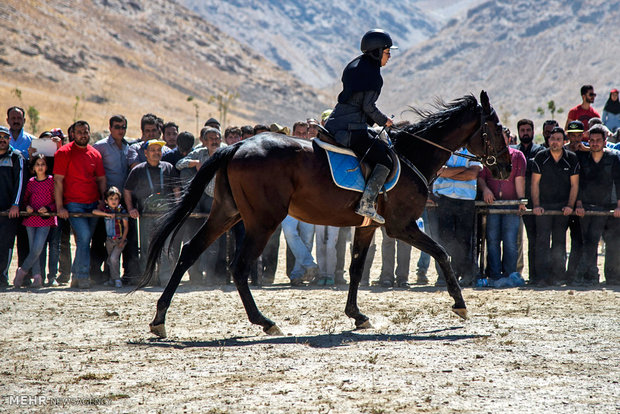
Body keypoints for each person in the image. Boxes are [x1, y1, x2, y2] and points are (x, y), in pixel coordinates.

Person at [324, 29, 397, 224]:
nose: (389, 57)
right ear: (377, 52)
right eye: (387, 52)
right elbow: (367, 106)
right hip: (350, 130)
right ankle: (366, 203)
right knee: (385, 160)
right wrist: (385, 121)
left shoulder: (355, 66)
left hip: (336, 123)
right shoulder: (373, 75)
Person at [54, 120, 106, 289]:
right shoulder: (63, 153)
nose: (83, 135)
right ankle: (82, 276)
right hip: (73, 203)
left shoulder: (95, 154)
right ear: (73, 134)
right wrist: (60, 206)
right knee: (83, 237)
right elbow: (58, 181)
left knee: (85, 240)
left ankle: (76, 277)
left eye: (86, 131)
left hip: (92, 203)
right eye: (79, 132)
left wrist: (102, 201)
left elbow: (101, 179)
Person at [124, 139, 180, 286]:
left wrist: (177, 208)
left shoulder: (168, 167)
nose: (156, 153)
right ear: (146, 153)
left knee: (166, 247)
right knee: (146, 248)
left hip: (166, 215)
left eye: (159, 150)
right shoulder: (138, 170)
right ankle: (147, 278)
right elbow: (127, 190)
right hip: (146, 215)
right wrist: (131, 208)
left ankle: (166, 279)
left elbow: (176, 190)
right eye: (153, 150)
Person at [531, 127, 579, 286]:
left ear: (564, 141)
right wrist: (536, 205)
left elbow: (575, 185)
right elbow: (535, 183)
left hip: (562, 208)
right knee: (542, 242)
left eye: (559, 139)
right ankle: (542, 278)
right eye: (553, 139)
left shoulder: (571, 158)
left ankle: (558, 276)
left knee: (559, 242)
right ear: (548, 140)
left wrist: (570, 206)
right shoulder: (540, 157)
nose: (555, 142)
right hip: (544, 207)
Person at [176, 128, 225, 285]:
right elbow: (179, 164)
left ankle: (211, 278)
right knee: (193, 238)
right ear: (204, 141)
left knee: (213, 240)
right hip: (201, 199)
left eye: (217, 138)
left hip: (218, 201)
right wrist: (195, 163)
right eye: (211, 138)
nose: (215, 141)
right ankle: (195, 277)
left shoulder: (225, 152)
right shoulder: (200, 153)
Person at [573, 125, 620, 285]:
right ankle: (591, 277)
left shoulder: (613, 158)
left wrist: (619, 206)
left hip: (609, 206)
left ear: (605, 141)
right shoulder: (583, 158)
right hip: (588, 207)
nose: (594, 144)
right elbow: (579, 182)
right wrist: (578, 203)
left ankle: (613, 277)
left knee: (613, 243)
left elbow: (618, 183)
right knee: (589, 243)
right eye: (591, 141)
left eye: (598, 140)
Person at [478, 133, 527, 282]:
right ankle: (494, 275)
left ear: (508, 139)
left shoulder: (517, 156)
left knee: (510, 241)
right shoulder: (487, 157)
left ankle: (510, 274)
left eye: (502, 138)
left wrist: (520, 200)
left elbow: (519, 179)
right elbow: (481, 177)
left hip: (510, 205)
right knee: (492, 241)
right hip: (492, 205)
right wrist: (486, 190)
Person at [432, 149, 482, 286]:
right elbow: (437, 171)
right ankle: (444, 275)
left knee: (464, 239)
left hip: (465, 201)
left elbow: (472, 174)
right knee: (444, 239)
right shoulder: (444, 149)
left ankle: (463, 274)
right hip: (444, 199)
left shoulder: (472, 151)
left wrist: (447, 172)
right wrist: (462, 169)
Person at [14, 155, 57, 288]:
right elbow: (25, 199)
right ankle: (37, 277)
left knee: (37, 248)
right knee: (34, 248)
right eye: (37, 164)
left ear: (47, 167)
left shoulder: (51, 181)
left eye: (42, 164)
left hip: (45, 219)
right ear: (33, 167)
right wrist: (27, 207)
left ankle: (22, 271)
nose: (40, 167)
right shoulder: (31, 182)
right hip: (30, 219)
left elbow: (56, 201)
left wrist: (49, 208)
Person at [511, 119, 544, 284]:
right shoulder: (512, 152)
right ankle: (514, 274)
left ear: (532, 131)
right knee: (513, 240)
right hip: (514, 201)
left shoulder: (540, 151)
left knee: (534, 239)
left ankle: (535, 275)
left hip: (533, 201)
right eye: (522, 130)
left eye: (528, 130)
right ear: (518, 132)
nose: (525, 133)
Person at [0, 125, 26, 287]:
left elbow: (20, 183)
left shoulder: (16, 157)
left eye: (4, 137)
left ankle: (2, 276)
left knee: (6, 243)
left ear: (9, 139)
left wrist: (15, 204)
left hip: (9, 211)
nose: (1, 140)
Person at [92, 187, 128, 288]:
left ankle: (117, 279)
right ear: (107, 200)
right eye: (111, 199)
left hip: (119, 239)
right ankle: (112, 279)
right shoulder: (106, 210)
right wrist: (107, 214)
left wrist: (123, 239)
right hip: (109, 240)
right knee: (110, 260)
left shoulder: (122, 211)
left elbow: (126, 227)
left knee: (113, 258)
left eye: (116, 199)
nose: (114, 201)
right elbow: (94, 211)